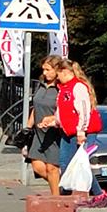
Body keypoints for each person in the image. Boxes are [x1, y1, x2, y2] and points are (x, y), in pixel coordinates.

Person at [54, 58, 104, 196]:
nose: (57, 78)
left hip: (81, 131)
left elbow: (84, 110)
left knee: (82, 164)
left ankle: (98, 193)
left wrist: (81, 131)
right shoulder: (63, 89)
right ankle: (67, 193)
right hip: (68, 131)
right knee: (65, 163)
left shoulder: (78, 87)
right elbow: (63, 111)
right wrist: (55, 122)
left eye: (58, 74)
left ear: (65, 72)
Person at [26, 56, 68, 195]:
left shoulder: (61, 88)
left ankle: (56, 198)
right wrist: (27, 128)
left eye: (48, 70)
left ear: (57, 70)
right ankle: (62, 187)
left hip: (54, 133)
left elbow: (67, 110)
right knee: (37, 166)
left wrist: (54, 119)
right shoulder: (41, 84)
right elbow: (36, 107)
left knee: (52, 168)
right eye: (43, 69)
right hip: (38, 134)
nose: (44, 73)